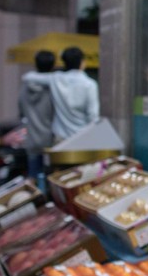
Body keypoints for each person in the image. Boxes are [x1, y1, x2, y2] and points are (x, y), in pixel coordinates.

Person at [23, 46, 99, 143]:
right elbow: (93, 116)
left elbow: (27, 77)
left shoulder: (56, 79)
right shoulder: (90, 84)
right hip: (82, 138)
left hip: (60, 138)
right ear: (82, 62)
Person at [19, 50, 55, 184]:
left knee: (33, 177)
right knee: (51, 179)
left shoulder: (25, 86)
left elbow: (21, 110)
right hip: (51, 139)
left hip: (32, 137)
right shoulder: (55, 87)